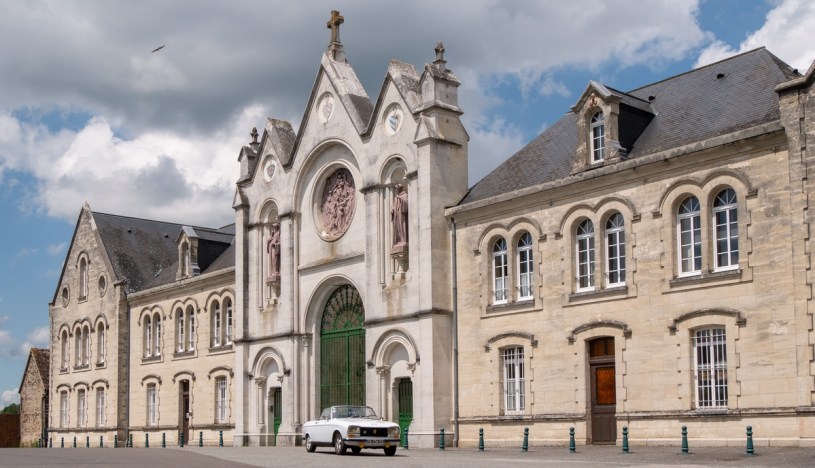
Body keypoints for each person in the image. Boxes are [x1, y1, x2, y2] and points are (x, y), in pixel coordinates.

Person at [391, 184, 408, 253]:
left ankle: (403, 240)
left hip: (402, 214)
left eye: (397, 188)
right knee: (397, 227)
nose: (396, 190)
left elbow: (406, 203)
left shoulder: (405, 195)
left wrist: (400, 198)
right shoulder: (396, 197)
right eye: (395, 189)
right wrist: (392, 209)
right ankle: (398, 240)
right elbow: (394, 205)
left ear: (400, 188)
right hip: (396, 215)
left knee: (402, 226)